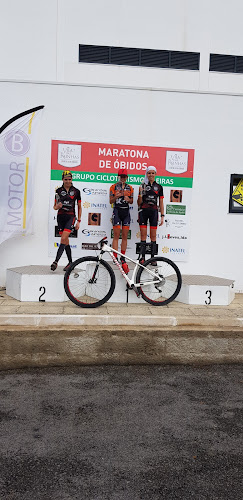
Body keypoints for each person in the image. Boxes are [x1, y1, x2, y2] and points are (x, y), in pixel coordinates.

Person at [51, 170, 81, 271]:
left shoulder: (77, 191)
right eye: (65, 179)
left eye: (69, 179)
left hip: (70, 217)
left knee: (63, 238)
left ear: (72, 179)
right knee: (66, 241)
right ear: (62, 179)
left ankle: (56, 261)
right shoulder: (58, 191)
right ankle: (70, 263)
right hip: (60, 217)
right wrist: (57, 206)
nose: (68, 181)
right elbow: (54, 207)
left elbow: (80, 207)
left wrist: (79, 221)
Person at [137, 166, 164, 264]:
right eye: (149, 173)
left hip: (154, 212)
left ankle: (153, 259)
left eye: (153, 173)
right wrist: (140, 194)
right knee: (143, 236)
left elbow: (161, 202)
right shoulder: (142, 185)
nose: (151, 175)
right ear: (146, 174)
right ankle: (142, 257)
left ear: (155, 174)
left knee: (153, 236)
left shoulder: (159, 187)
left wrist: (162, 216)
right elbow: (138, 203)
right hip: (143, 212)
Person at [109, 169, 134, 273]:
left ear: (127, 177)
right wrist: (116, 196)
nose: (123, 178)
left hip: (126, 212)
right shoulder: (113, 187)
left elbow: (132, 201)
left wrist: (129, 200)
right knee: (116, 235)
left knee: (124, 235)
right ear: (118, 177)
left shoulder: (130, 187)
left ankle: (122, 257)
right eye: (121, 176)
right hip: (117, 211)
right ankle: (115, 258)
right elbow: (110, 201)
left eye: (124, 176)